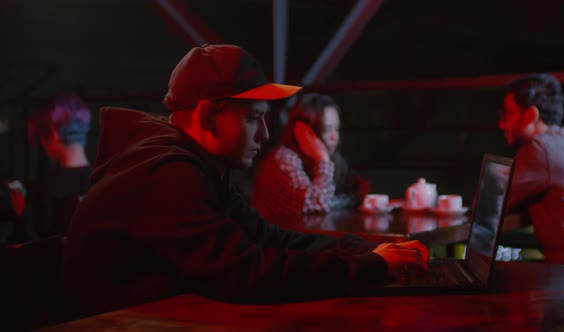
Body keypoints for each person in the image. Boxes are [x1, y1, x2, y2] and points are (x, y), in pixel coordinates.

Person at [61, 44, 428, 316]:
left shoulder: (198, 163)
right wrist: (370, 267)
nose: (265, 134)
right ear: (207, 115)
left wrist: (361, 251)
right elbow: (244, 273)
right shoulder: (166, 172)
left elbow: (267, 237)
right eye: (254, 118)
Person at [498, 73, 564, 265]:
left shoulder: (540, 149)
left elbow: (493, 202)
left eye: (508, 113)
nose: (502, 123)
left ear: (531, 115)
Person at [251, 93, 370, 217]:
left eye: (336, 128)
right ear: (304, 131)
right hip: (272, 235)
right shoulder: (283, 158)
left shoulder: (327, 160)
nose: (334, 137)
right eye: (326, 129)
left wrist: (356, 195)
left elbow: (359, 190)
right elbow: (316, 206)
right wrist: (322, 159)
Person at [23, 95, 93, 240]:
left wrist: (21, 211)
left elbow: (29, 248)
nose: (41, 144)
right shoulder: (110, 179)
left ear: (52, 134)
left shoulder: (42, 189)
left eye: (40, 137)